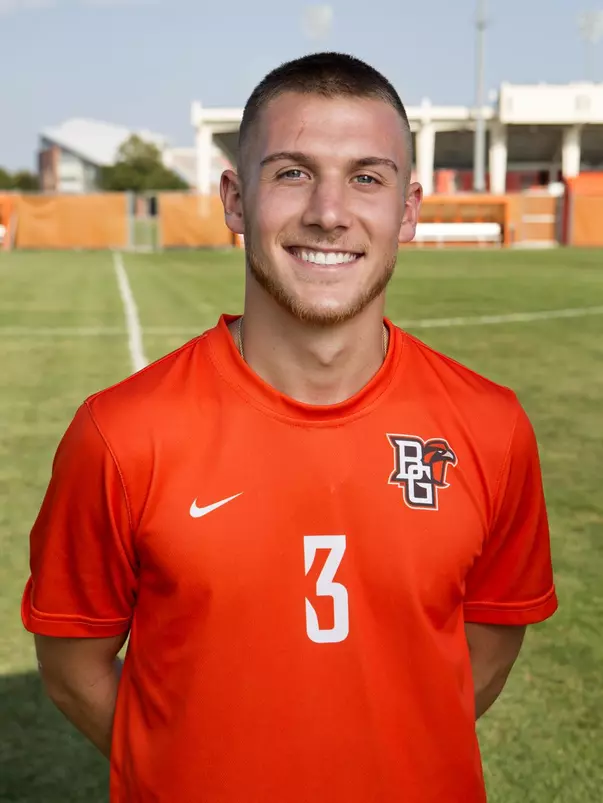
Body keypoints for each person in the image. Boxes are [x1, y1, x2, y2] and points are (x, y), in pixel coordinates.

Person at [22, 52, 558, 803]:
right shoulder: (120, 433)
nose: (328, 212)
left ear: (408, 209)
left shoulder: (491, 427)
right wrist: (186, 768)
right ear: (236, 200)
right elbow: (71, 666)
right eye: (293, 173)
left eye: (366, 177)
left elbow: (491, 647)